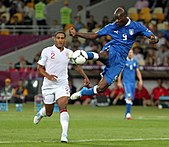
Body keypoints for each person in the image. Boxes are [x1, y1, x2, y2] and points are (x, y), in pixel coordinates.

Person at [69, 7, 158, 109]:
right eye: (115, 18)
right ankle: (85, 55)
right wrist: (77, 34)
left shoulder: (136, 26)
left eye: (119, 19)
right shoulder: (112, 26)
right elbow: (94, 35)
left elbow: (152, 36)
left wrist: (153, 39)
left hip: (120, 61)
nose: (117, 21)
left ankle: (84, 92)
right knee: (104, 55)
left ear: (125, 17)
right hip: (112, 49)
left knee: (101, 88)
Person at [33, 31, 90, 143]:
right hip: (48, 85)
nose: (60, 40)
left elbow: (76, 66)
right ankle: (41, 113)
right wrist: (48, 76)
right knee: (49, 113)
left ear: (65, 39)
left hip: (62, 84)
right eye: (58, 38)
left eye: (62, 38)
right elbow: (39, 68)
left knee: (63, 108)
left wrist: (85, 77)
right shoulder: (47, 51)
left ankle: (64, 135)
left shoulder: (69, 53)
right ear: (54, 39)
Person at [118, 49, 143, 119]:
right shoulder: (124, 61)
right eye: (129, 52)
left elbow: (138, 71)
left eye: (131, 52)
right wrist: (119, 81)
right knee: (129, 97)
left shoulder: (135, 61)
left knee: (131, 98)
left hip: (133, 82)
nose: (130, 54)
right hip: (126, 82)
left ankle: (127, 114)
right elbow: (120, 72)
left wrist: (140, 80)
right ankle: (128, 114)